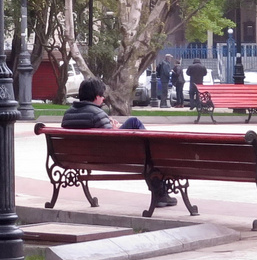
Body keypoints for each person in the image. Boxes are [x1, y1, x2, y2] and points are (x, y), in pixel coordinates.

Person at [62, 77, 175, 208]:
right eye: (102, 95)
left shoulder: (68, 114)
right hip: (108, 156)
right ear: (96, 96)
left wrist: (112, 128)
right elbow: (112, 141)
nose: (103, 98)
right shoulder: (97, 114)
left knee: (133, 125)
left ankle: (159, 187)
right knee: (135, 124)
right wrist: (114, 129)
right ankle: (160, 191)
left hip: (77, 157)